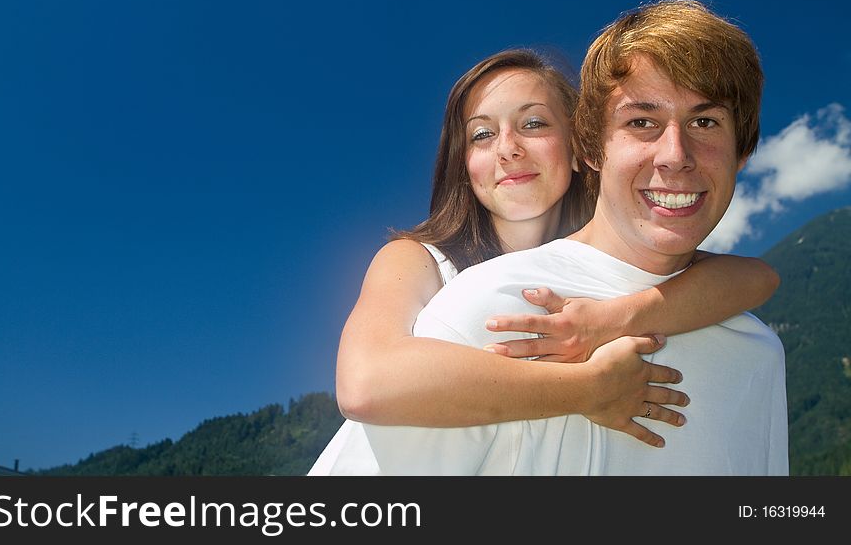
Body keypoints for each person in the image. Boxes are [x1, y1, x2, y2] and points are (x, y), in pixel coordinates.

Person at [310, 29, 781, 475]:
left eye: (533, 124)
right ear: (463, 164)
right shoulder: (424, 262)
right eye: (482, 134)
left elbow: (755, 278)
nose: (509, 149)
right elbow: (367, 382)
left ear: (581, 149)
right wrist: (588, 389)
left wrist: (610, 320)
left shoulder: (617, 258)